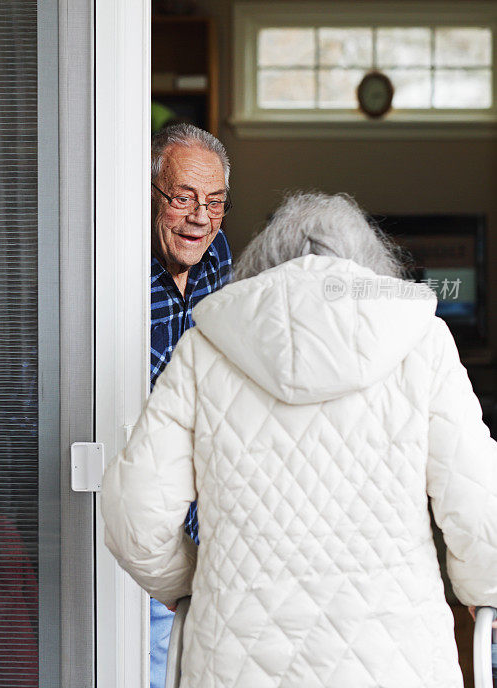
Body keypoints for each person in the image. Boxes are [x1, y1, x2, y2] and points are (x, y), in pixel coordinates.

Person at [102, 191, 497, 688]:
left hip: (235, 663)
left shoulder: (206, 348)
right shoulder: (423, 342)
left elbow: (134, 512)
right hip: (396, 662)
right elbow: (484, 512)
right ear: (371, 266)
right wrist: (484, 589)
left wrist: (193, 581)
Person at [148, 123, 232, 688]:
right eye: (182, 199)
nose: (200, 218)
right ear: (150, 193)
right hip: (138, 520)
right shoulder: (108, 270)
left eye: (215, 201)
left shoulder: (217, 256)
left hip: (206, 527)